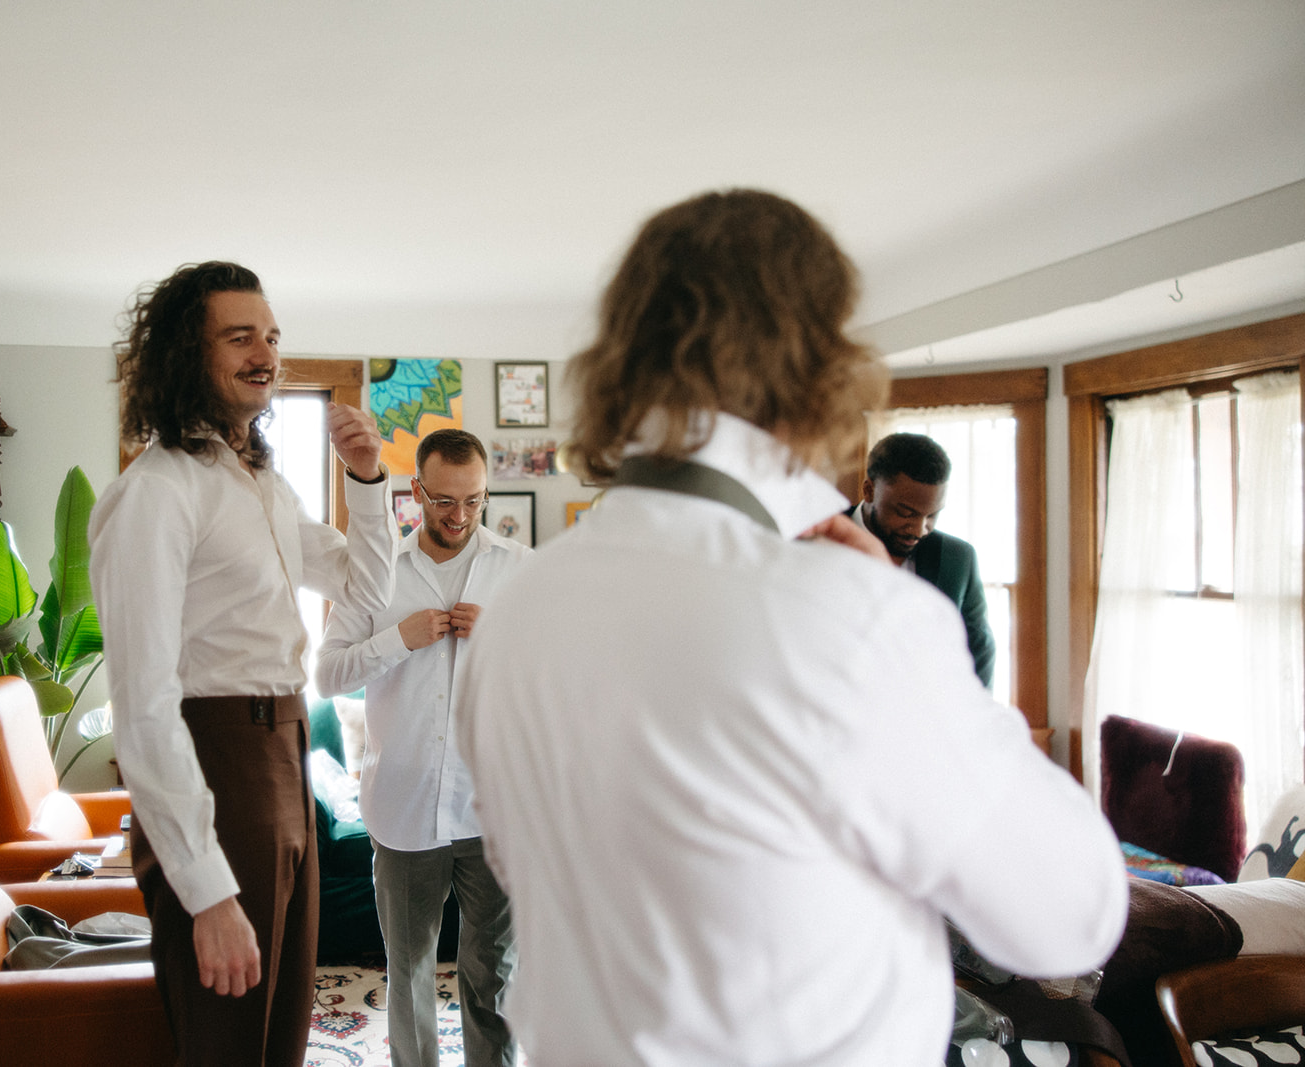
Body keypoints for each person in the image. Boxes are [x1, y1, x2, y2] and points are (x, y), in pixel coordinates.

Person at [454, 190, 1127, 1066]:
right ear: (818, 363)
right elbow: (1068, 915)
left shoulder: (516, 611)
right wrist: (920, 649)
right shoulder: (850, 618)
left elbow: (526, 868)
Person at [89, 261, 396, 1066]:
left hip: (284, 754)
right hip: (218, 757)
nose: (264, 352)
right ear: (188, 354)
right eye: (239, 336)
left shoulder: (259, 484)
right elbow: (145, 703)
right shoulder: (156, 492)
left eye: (271, 336)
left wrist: (366, 481)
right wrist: (208, 892)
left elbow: (366, 588)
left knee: (278, 1037)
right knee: (227, 1042)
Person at [316, 427, 526, 1067]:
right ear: (416, 491)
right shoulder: (374, 577)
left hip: (493, 810)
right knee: (407, 976)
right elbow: (326, 677)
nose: (458, 516)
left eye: (473, 501)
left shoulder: (522, 571)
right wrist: (396, 640)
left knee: (493, 976)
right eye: (443, 501)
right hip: (403, 808)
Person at [851, 432, 997, 687]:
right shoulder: (814, 540)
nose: (919, 530)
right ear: (869, 490)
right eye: (906, 513)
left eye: (932, 516)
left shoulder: (958, 559)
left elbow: (979, 652)